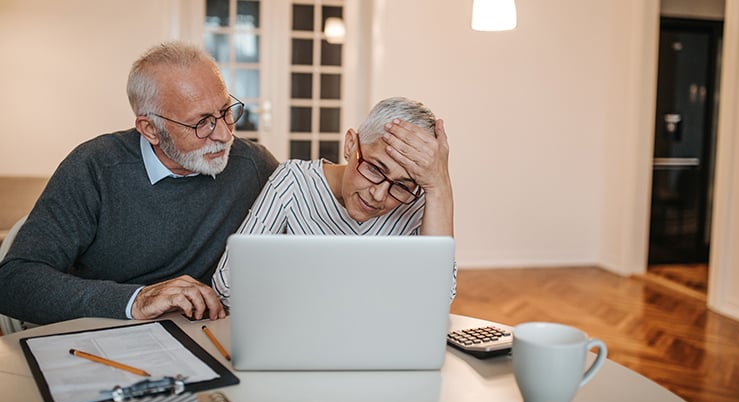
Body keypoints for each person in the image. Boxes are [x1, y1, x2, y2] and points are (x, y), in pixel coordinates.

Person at [0, 41, 278, 324]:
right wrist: (136, 300)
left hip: (207, 335)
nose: (224, 134)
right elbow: (14, 281)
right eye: (201, 122)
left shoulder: (252, 164)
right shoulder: (95, 167)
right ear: (150, 129)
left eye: (225, 111)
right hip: (106, 336)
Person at [212, 96, 455, 306]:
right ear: (350, 144)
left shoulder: (415, 204)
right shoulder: (294, 180)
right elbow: (227, 283)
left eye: (401, 185)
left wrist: (439, 186)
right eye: (374, 169)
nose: (379, 195)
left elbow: (437, 301)